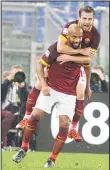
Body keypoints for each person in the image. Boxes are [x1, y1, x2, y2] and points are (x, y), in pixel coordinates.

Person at [16, 6, 100, 142]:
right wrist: (81, 52)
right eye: (84, 18)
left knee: (80, 91)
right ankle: (26, 117)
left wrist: (71, 57)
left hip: (76, 67)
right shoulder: (69, 26)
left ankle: (73, 127)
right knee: (39, 82)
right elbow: (60, 47)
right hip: (59, 65)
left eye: (90, 19)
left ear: (93, 19)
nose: (87, 21)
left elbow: (88, 60)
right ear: (79, 18)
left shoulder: (95, 35)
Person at [12, 24, 92, 167]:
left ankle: (52, 159)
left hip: (68, 93)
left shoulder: (83, 50)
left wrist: (87, 86)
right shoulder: (56, 48)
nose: (77, 39)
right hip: (52, 88)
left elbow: (87, 64)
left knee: (63, 125)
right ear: (67, 36)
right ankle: (23, 148)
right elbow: (40, 65)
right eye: (74, 36)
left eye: (79, 37)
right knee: (35, 116)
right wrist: (44, 84)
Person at [1, 65, 31, 148]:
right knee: (9, 115)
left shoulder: (24, 86)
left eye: (19, 73)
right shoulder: (6, 84)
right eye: (15, 73)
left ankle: (24, 145)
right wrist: (7, 80)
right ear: (11, 73)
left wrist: (23, 87)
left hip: (18, 112)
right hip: (3, 109)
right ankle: (2, 140)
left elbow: (29, 99)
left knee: (28, 119)